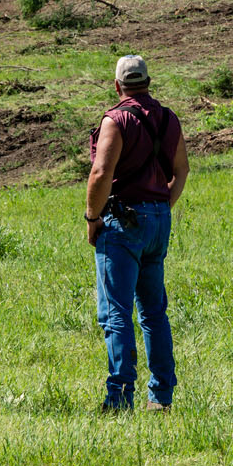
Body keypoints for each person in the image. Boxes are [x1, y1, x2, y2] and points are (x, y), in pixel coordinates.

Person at [84, 54, 190, 411]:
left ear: (117, 85)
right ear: (148, 81)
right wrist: (161, 207)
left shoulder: (116, 119)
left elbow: (100, 174)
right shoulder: (168, 118)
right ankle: (160, 396)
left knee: (116, 312)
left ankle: (119, 397)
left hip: (122, 223)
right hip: (158, 220)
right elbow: (182, 171)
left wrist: (92, 217)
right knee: (153, 312)